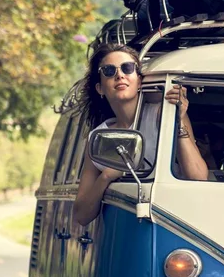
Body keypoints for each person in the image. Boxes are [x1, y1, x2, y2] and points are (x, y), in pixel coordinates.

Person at [73, 43, 208, 226]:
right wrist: (105, 177)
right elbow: (81, 216)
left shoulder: (164, 113)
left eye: (127, 68)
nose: (119, 75)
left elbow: (198, 177)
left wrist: (178, 123)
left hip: (174, 219)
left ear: (139, 81)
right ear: (100, 89)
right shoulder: (98, 137)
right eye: (109, 70)